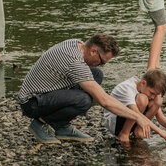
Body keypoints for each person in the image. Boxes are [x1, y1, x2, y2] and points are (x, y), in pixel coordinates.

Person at [17, 34, 154, 144]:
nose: (101, 65)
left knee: (96, 74)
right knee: (84, 100)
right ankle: (41, 124)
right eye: (102, 61)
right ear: (93, 51)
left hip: (45, 92)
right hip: (31, 102)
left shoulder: (76, 43)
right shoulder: (74, 62)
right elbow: (104, 101)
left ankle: (62, 125)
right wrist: (137, 116)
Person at [103, 68, 166, 143]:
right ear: (143, 83)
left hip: (132, 117)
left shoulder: (144, 89)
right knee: (142, 99)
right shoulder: (127, 88)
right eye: (151, 93)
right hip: (114, 121)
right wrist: (160, 132)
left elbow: (160, 116)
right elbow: (136, 113)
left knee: (158, 100)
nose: (152, 96)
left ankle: (138, 131)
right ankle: (124, 134)